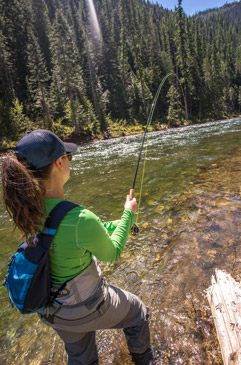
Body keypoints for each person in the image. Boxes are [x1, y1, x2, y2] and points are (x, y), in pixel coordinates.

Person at [1, 129, 154, 365]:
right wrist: (128, 213)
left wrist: (123, 222)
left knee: (81, 356)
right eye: (68, 157)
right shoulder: (80, 218)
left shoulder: (27, 210)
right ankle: (144, 360)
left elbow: (69, 234)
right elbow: (112, 252)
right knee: (138, 313)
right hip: (87, 308)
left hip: (53, 312)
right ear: (59, 162)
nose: (70, 162)